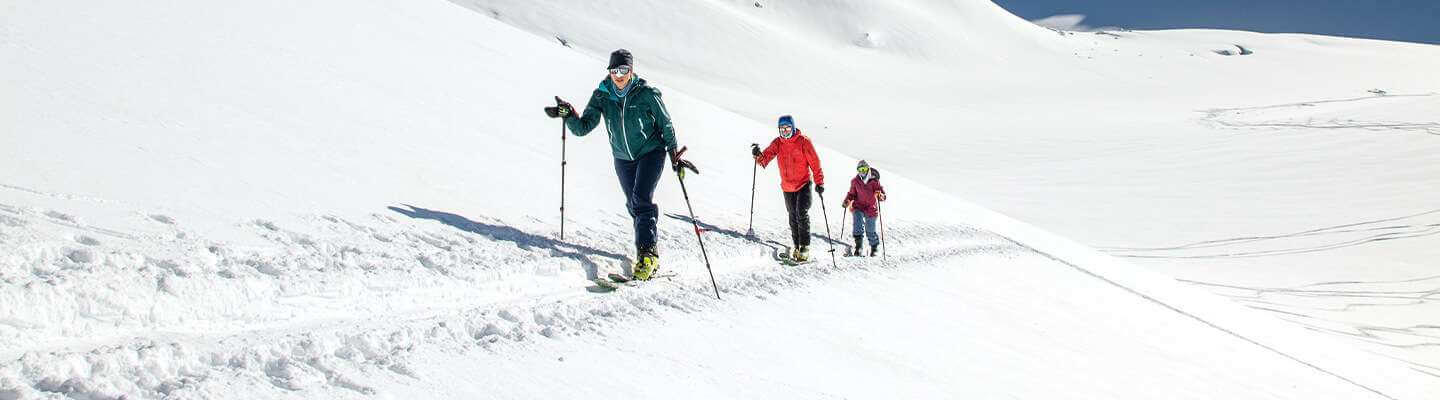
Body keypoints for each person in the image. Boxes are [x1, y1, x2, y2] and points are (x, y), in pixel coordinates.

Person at [547, 49, 691, 281]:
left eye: (623, 70)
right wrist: (569, 115)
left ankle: (648, 254)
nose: (619, 75)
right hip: (622, 157)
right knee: (633, 204)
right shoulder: (602, 95)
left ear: (631, 71)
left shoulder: (646, 94)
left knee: (641, 198)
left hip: (651, 152)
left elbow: (666, 124)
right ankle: (645, 248)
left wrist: (673, 153)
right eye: (615, 70)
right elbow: (583, 127)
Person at [752, 115, 825, 262]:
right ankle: (797, 246)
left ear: (793, 128)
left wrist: (819, 182)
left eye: (787, 128)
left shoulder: (803, 141)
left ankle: (805, 247)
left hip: (804, 184)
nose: (785, 131)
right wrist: (758, 155)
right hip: (787, 186)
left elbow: (815, 163)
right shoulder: (778, 143)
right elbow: (765, 158)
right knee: (792, 216)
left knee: (801, 213)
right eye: (782, 129)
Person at [842, 160, 886, 256]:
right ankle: (859, 247)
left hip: (871, 208)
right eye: (860, 169)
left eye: (864, 169)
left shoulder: (874, 181)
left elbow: (882, 193)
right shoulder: (855, 181)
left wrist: (880, 196)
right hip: (859, 206)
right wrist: (847, 200)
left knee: (870, 230)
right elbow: (852, 194)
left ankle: (874, 248)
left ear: (868, 169)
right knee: (857, 223)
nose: (862, 171)